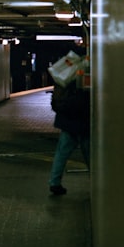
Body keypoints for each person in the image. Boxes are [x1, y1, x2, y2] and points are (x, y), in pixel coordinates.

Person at [47, 66, 91, 196]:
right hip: (82, 123)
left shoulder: (65, 76)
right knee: (90, 155)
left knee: (61, 154)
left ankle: (54, 182)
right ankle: (96, 182)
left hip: (66, 122)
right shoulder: (85, 77)